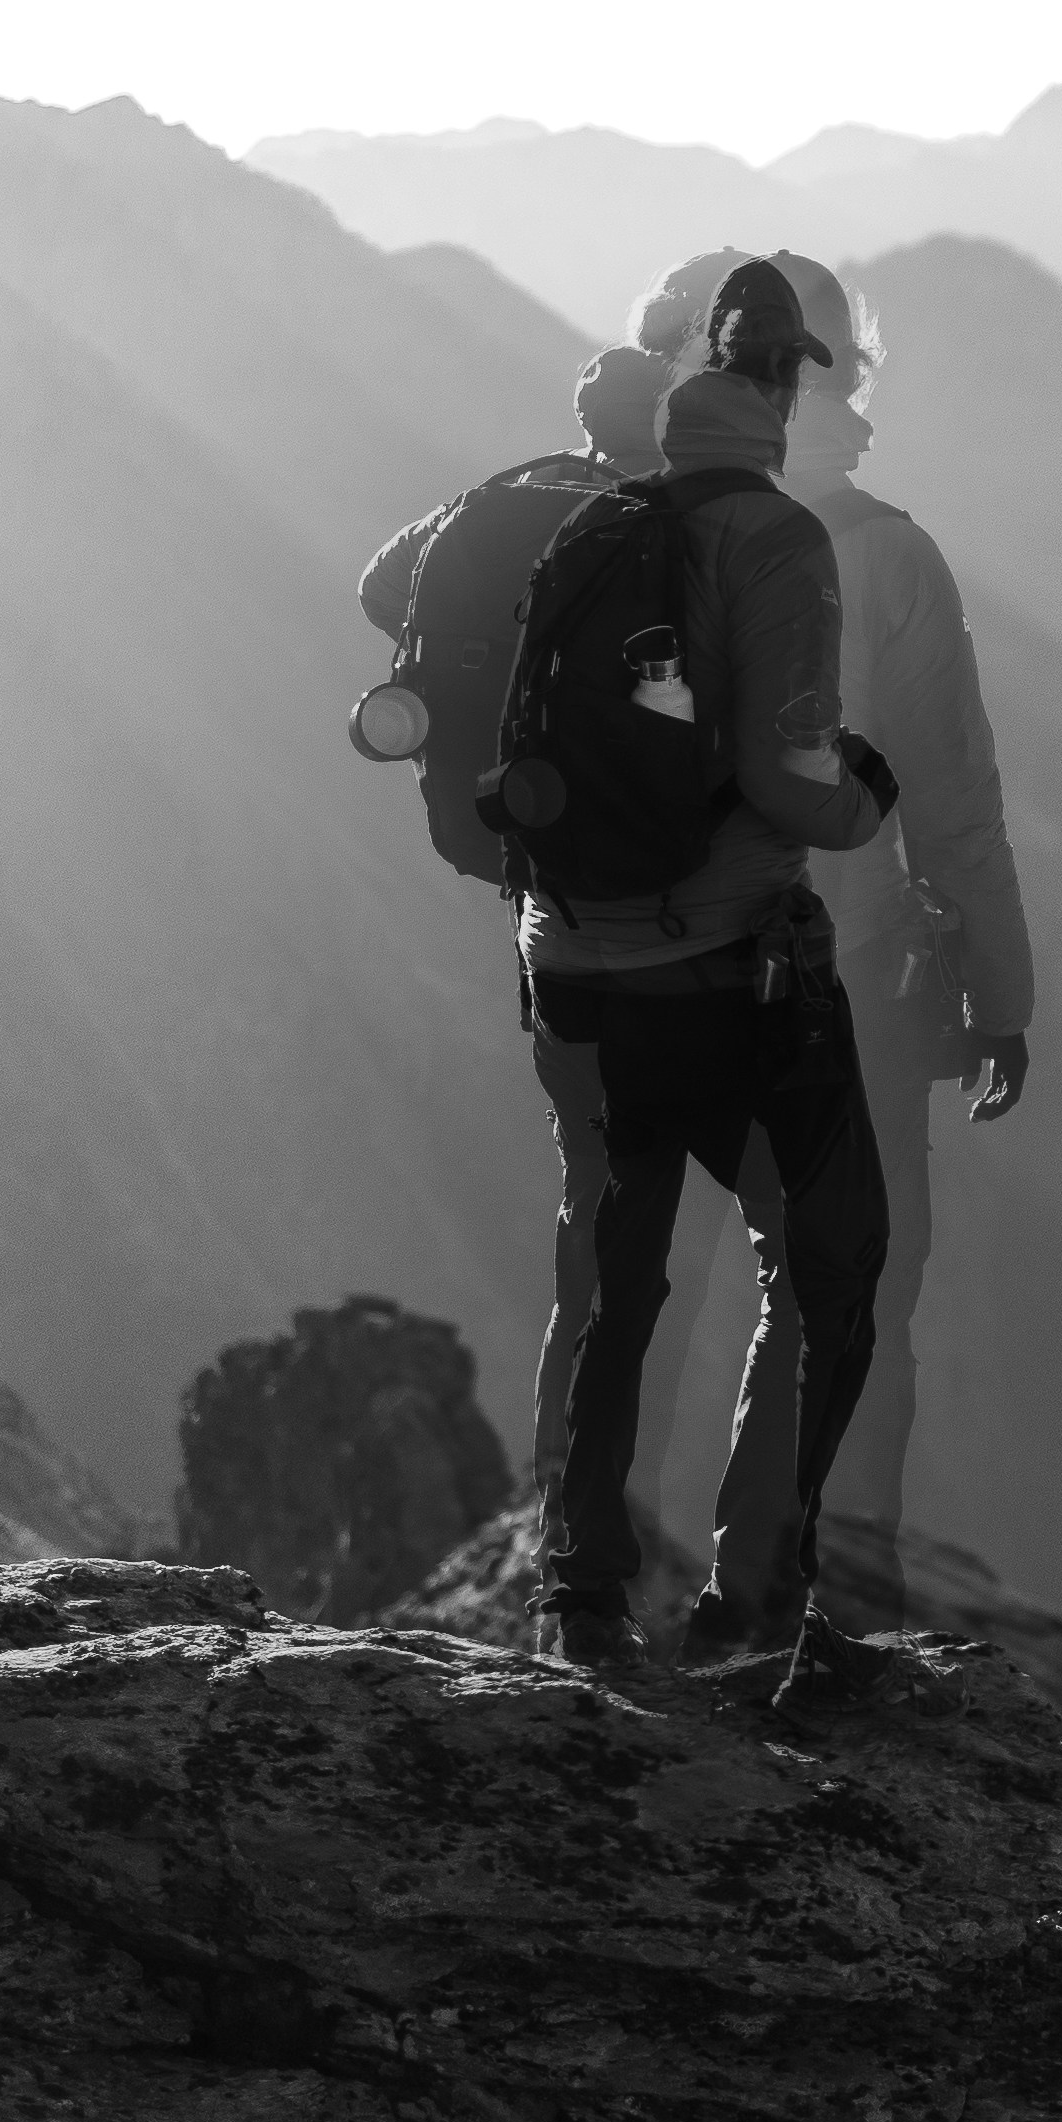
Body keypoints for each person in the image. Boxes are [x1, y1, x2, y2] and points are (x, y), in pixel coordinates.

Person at [517, 259, 904, 1701]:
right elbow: (787, 775)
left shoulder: (592, 527)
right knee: (827, 1262)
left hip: (571, 964)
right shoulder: (777, 539)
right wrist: (868, 791)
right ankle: (750, 1616)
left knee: (611, 1270)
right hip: (731, 973)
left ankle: (580, 1596)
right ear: (784, 398)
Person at [681, 249, 1031, 1655]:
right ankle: (820, 1607)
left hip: (646, 972)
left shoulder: (640, 523)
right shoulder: (884, 549)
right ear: (847, 369)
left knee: (637, 1276)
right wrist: (999, 999)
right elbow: (950, 795)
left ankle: (613, 1602)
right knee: (852, 1292)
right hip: (842, 980)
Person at [362, 341, 677, 1492]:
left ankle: (566, 1510)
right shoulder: (670, 524)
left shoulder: (497, 497)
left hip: (523, 867)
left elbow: (376, 589)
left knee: (589, 1197)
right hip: (650, 891)